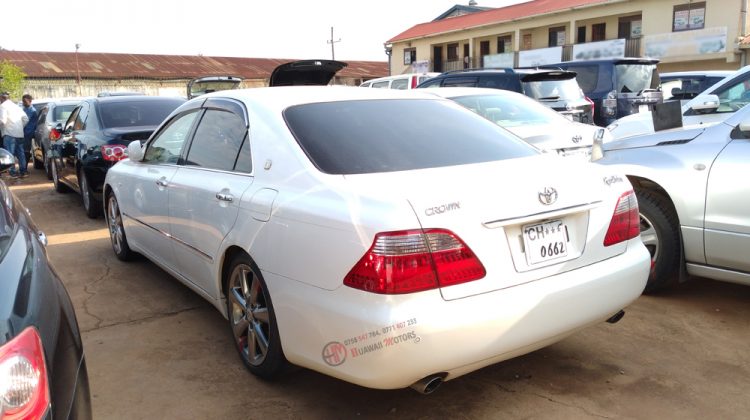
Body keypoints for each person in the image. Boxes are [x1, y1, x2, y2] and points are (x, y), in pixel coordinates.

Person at [0, 92, 30, 177]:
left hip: (9, 133)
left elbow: (3, 120)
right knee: (21, 153)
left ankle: (12, 173)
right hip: (19, 133)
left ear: (1, 98)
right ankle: (23, 171)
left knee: (10, 154)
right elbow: (26, 119)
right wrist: (20, 127)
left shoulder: (3, 106)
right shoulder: (17, 106)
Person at [22, 94, 38, 167]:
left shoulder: (32, 110)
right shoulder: (24, 109)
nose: (23, 103)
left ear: (30, 101)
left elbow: (24, 120)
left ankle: (24, 168)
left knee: (26, 150)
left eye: (25, 101)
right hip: (24, 132)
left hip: (28, 133)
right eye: (23, 101)